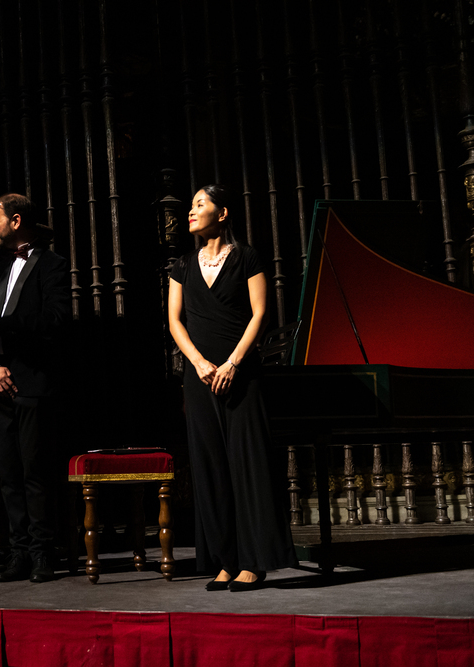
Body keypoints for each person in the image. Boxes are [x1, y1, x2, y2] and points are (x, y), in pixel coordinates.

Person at [167, 184, 297, 592]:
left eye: (200, 204)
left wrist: (232, 363)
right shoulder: (182, 265)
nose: (191, 211)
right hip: (199, 377)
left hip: (241, 373)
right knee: (210, 468)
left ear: (222, 213)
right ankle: (224, 559)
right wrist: (201, 364)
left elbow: (260, 313)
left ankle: (254, 561)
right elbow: (175, 322)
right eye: (191, 206)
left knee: (248, 466)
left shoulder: (247, 257)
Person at [0, 193, 70, 583]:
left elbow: (56, 320)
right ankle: (18, 552)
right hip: (0, 386)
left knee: (35, 473)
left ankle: (43, 553)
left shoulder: (52, 265)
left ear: (15, 221)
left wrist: (3, 325)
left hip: (33, 383)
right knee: (8, 474)